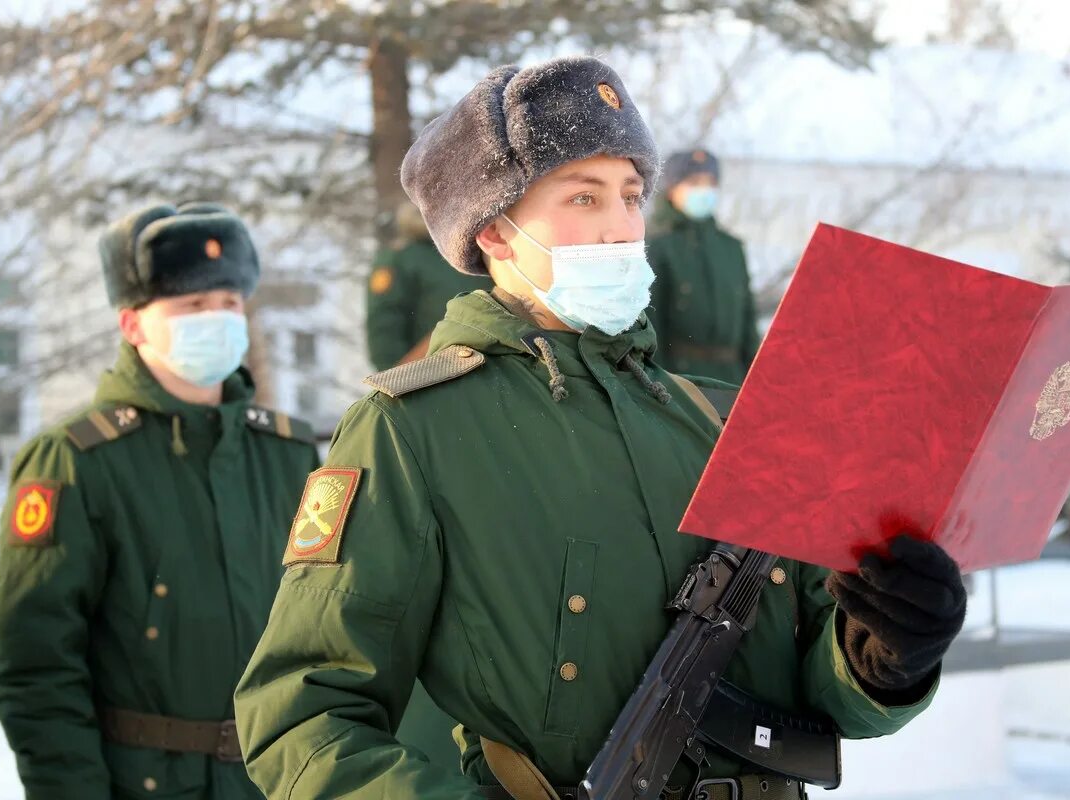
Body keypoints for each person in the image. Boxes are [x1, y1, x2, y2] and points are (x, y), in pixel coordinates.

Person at [234, 57, 966, 800]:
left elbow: (819, 683)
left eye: (630, 196)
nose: (621, 228)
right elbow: (303, 716)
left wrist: (887, 651)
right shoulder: (415, 430)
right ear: (494, 231)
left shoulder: (720, 419)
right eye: (583, 198)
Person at [0, 203, 320, 800]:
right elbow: (33, 663)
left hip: (276, 782)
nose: (216, 319)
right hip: (143, 783)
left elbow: (328, 631)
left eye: (229, 303)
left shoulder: (286, 453)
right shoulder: (78, 460)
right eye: (192, 306)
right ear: (133, 325)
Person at [646, 149, 759, 383]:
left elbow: (748, 320)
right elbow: (651, 326)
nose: (704, 190)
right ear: (672, 188)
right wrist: (662, 386)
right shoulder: (657, 245)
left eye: (710, 183)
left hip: (733, 378)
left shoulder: (731, 248)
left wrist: (755, 377)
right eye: (694, 182)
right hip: (681, 379)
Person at [366, 200, 491, 369]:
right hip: (432, 367)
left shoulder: (478, 247)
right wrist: (394, 376)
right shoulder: (399, 259)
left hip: (489, 360)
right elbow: (384, 321)